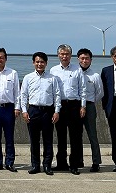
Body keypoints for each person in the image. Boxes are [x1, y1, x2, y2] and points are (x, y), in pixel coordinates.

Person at [20, 51, 61, 176]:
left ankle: (47, 165)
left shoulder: (52, 78)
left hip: (48, 111)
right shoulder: (28, 78)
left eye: (42, 62)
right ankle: (35, 165)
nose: (40, 64)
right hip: (33, 110)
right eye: (37, 62)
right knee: (34, 140)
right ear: (33, 63)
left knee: (48, 140)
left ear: (46, 63)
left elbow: (57, 95)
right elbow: (23, 95)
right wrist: (24, 111)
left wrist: (57, 111)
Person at [50, 44, 86, 175]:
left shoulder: (77, 69)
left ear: (71, 55)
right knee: (61, 136)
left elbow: (82, 89)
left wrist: (83, 106)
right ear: (58, 55)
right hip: (60, 105)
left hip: (74, 105)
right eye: (62, 54)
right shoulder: (53, 70)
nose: (64, 56)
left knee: (75, 137)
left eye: (67, 54)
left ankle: (74, 164)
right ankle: (61, 163)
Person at [76, 47, 103, 173]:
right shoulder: (75, 73)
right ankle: (78, 160)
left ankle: (96, 162)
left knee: (92, 135)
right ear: (78, 59)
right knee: (77, 135)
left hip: (90, 106)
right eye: (82, 58)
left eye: (87, 58)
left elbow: (100, 93)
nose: (84, 61)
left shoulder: (95, 76)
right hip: (76, 106)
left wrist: (90, 102)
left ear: (91, 60)